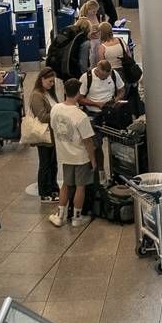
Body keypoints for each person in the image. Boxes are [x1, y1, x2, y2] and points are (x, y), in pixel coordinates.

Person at [48, 78, 97, 228]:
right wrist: (93, 160)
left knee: (66, 185)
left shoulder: (55, 109)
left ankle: (60, 216)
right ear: (78, 94)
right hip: (80, 157)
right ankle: (77, 217)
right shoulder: (80, 116)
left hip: (64, 154)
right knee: (80, 186)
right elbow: (88, 141)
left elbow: (53, 127)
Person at [26, 68, 61, 203]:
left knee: (53, 163)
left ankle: (53, 188)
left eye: (53, 81)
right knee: (45, 164)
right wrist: (58, 113)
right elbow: (42, 116)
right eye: (50, 81)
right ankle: (45, 192)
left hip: (53, 135)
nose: (52, 84)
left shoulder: (49, 94)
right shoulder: (37, 95)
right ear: (42, 79)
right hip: (44, 135)